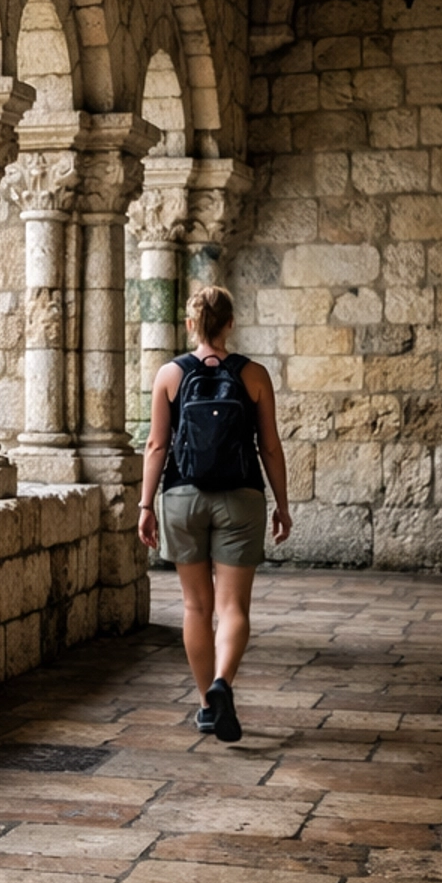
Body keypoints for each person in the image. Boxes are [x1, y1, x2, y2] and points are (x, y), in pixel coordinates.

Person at [137, 286, 292, 742]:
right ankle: (224, 681)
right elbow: (270, 446)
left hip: (182, 496)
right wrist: (281, 505)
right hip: (241, 497)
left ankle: (207, 703)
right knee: (233, 607)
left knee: (195, 606)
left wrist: (146, 505)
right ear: (229, 324)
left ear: (190, 325)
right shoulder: (255, 375)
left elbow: (156, 446)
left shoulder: (169, 374)